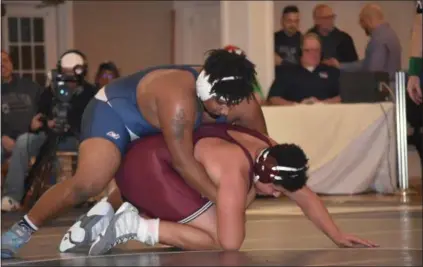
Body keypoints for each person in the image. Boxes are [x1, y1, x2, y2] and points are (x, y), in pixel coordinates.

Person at [1, 49, 267, 259]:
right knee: (90, 181)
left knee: (198, 170)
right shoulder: (179, 100)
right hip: (117, 114)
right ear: (205, 89)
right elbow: (183, 163)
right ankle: (21, 231)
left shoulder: (240, 103)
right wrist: (226, 202)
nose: (225, 111)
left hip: (158, 129)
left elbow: (261, 151)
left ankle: (107, 209)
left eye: (232, 104)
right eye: (219, 103)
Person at [58, 123, 377, 255]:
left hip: (141, 163)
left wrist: (336, 234)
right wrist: (242, 202)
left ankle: (110, 212)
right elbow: (230, 243)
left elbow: (304, 195)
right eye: (277, 188)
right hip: (149, 172)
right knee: (218, 238)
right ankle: (135, 225)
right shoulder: (234, 169)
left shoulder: (267, 151)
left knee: (222, 211)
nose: (279, 194)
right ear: (266, 172)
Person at [1, 50, 96, 212]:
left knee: (89, 148)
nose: (68, 77)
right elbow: (40, 115)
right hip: (50, 135)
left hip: (77, 137)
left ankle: (84, 195)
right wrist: (45, 123)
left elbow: (92, 119)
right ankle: (13, 197)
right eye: (65, 72)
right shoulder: (51, 90)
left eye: (72, 72)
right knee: (24, 141)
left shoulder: (90, 92)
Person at [268, 33, 341, 106]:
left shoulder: (332, 71)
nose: (313, 54)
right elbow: (273, 98)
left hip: (326, 114)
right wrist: (296, 106)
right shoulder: (286, 72)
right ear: (300, 52)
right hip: (294, 115)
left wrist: (323, 104)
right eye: (308, 50)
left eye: (316, 50)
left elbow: (343, 96)